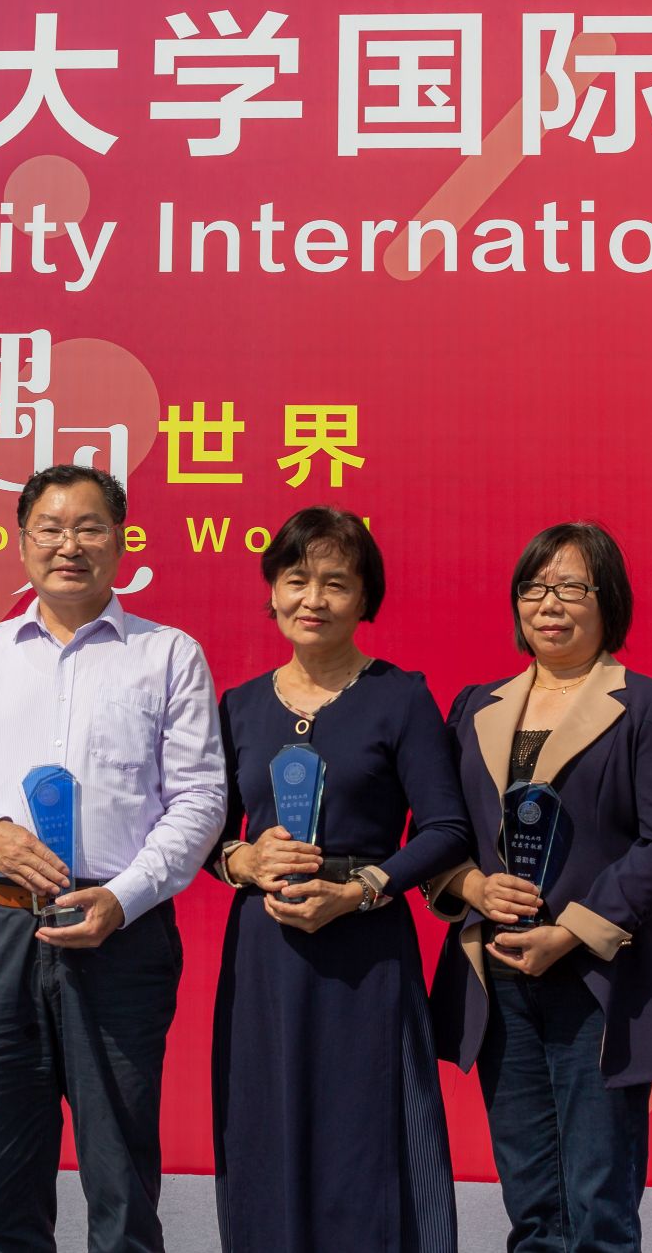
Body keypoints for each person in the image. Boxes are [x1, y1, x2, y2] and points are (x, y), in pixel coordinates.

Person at [0, 464, 225, 1253]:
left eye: (89, 528)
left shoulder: (168, 655)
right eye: (50, 529)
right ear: (22, 542)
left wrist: (125, 896)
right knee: (5, 1176)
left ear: (120, 541)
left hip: (121, 934)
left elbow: (199, 800)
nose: (69, 546)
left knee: (122, 1175)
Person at [425, 522, 652, 1253]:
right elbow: (440, 834)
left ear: (609, 600)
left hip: (596, 977)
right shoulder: (474, 706)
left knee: (598, 1201)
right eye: (534, 587)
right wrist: (471, 886)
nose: (549, 604)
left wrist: (572, 930)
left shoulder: (649, 707)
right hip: (498, 972)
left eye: (572, 587)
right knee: (531, 1200)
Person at [208, 506, 469, 1253]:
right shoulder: (240, 706)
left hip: (366, 946)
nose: (313, 599)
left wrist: (360, 892)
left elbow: (446, 829)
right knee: (264, 1124)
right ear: (273, 591)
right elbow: (209, 832)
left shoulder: (401, 697)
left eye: (336, 583)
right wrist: (240, 861)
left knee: (368, 1137)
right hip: (266, 953)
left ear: (364, 599)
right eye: (296, 579)